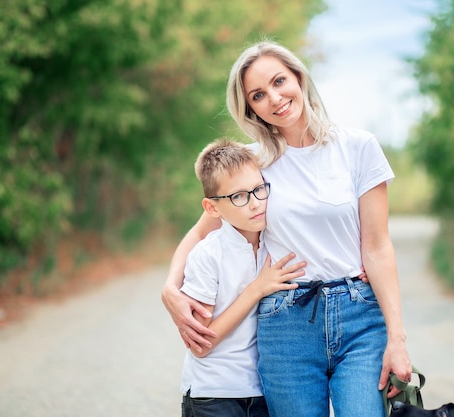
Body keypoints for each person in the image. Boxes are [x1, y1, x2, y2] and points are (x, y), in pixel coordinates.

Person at [162, 40, 412, 417]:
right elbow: (201, 231)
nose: (275, 98)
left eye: (279, 81)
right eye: (259, 95)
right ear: (251, 108)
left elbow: (377, 247)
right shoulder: (252, 163)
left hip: (359, 315)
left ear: (299, 76)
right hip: (286, 323)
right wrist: (169, 287)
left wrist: (397, 337)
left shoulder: (359, 147)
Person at [179, 138, 305, 417]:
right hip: (213, 394)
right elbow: (201, 345)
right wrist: (256, 289)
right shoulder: (208, 255)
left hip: (261, 391)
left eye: (259, 189)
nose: (255, 204)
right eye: (238, 196)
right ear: (212, 208)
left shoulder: (274, 243)